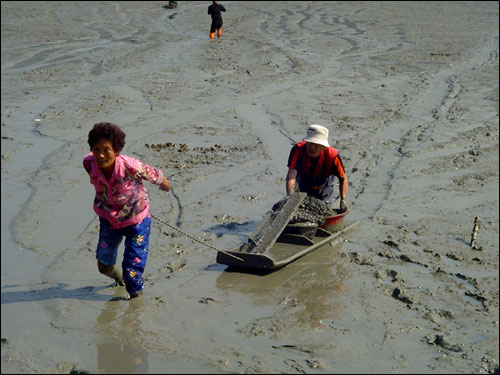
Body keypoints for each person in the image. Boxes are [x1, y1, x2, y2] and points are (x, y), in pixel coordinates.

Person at [83, 122, 171, 298]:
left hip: (136, 220)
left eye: (106, 150)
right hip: (109, 219)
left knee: (132, 272)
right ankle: (118, 279)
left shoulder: (130, 166)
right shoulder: (89, 163)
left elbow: (152, 174)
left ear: (116, 151)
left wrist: (165, 184)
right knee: (103, 265)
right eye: (96, 149)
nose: (100, 155)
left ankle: (135, 301)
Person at [286, 124, 349, 212]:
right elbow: (292, 174)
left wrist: (343, 200)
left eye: (316, 145)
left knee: (323, 210)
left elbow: (342, 178)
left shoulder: (333, 156)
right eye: (310, 143)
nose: (312, 148)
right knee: (301, 208)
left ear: (323, 146)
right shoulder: (298, 150)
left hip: (324, 184)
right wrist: (290, 196)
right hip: (303, 183)